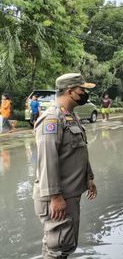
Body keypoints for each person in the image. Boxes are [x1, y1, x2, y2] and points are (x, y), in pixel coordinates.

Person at [32, 73, 97, 258]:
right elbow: (47, 160)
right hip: (58, 197)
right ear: (70, 91)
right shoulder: (52, 119)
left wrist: (89, 178)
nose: (85, 93)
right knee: (57, 249)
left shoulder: (69, 115)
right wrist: (55, 197)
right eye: (82, 90)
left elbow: (78, 151)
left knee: (62, 245)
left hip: (68, 195)